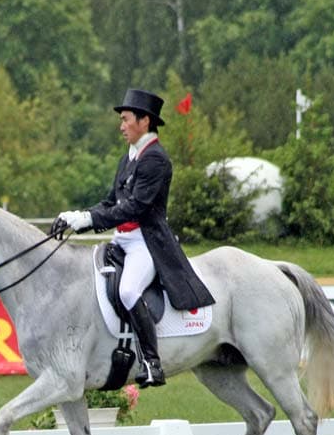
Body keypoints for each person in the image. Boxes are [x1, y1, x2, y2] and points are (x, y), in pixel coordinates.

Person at [53, 88, 215, 388]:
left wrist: (91, 220)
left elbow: (135, 207)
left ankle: (152, 362)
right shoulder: (128, 158)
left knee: (128, 291)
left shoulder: (155, 159)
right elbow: (110, 202)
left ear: (144, 121)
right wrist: (79, 216)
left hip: (146, 242)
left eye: (126, 119)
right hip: (122, 239)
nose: (121, 126)